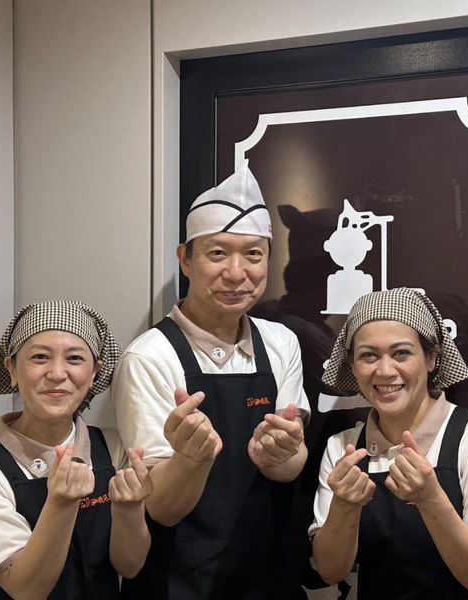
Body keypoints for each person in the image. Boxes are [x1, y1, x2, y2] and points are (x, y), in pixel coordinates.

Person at [113, 160, 310, 599]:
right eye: (218, 253)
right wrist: (191, 459)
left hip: (267, 578)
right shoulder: (149, 357)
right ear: (186, 259)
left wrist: (283, 453)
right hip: (178, 583)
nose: (237, 273)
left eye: (253, 254)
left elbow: (288, 469)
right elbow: (160, 508)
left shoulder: (281, 343)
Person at [310, 288, 468, 599]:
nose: (385, 371)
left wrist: (430, 499)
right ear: (352, 365)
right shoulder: (342, 448)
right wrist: (344, 506)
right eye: (368, 355)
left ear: (431, 357)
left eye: (401, 353)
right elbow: (331, 571)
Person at [0, 300, 151, 599]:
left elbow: (129, 566)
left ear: (95, 372)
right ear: (12, 369)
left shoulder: (113, 448)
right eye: (40, 357)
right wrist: (61, 502)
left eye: (75, 358)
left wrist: (129, 508)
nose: (56, 373)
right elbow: (27, 590)